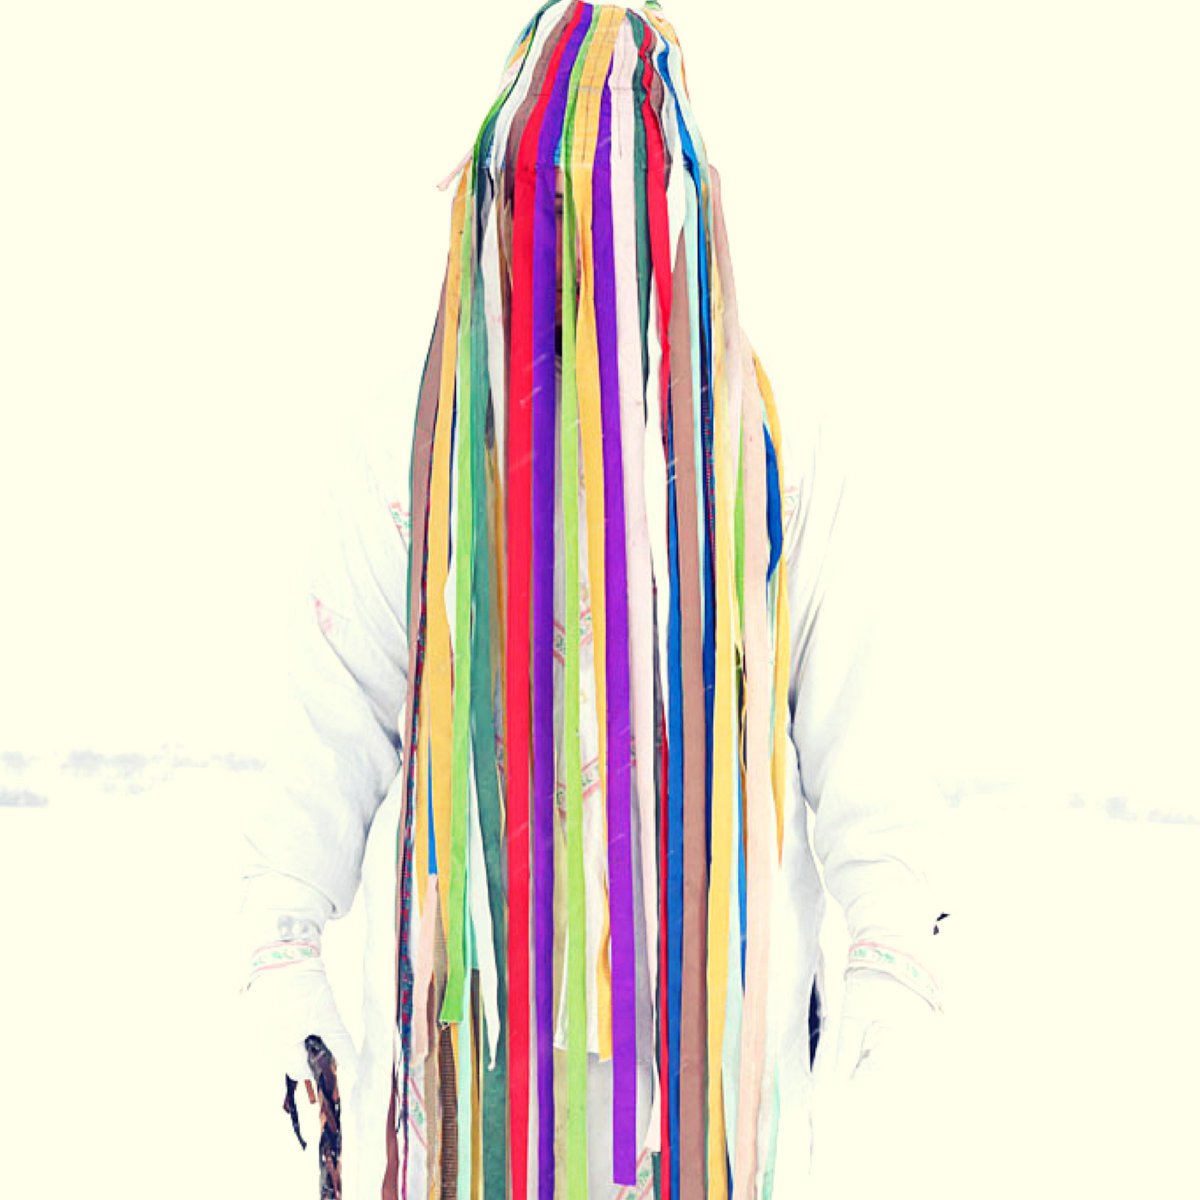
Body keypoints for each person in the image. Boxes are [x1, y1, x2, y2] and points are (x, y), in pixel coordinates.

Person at [240, 3, 949, 1197]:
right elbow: (328, 727)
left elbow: (867, 745)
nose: (584, 249)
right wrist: (281, 952)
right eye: (550, 204)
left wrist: (892, 967)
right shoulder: (412, 440)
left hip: (716, 1094)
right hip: (469, 1087)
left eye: (619, 208)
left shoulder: (779, 437)